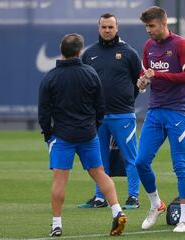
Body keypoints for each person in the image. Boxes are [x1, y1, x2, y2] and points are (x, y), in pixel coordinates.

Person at [38, 33, 127, 237]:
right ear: (80, 51)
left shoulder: (50, 77)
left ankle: (57, 224)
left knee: (60, 180)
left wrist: (48, 135)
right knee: (99, 173)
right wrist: (93, 126)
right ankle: (117, 211)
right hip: (88, 134)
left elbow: (43, 113)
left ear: (62, 50)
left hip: (63, 136)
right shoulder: (90, 73)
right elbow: (100, 107)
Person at [135, 6, 185, 233]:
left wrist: (157, 74)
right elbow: (145, 77)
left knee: (180, 167)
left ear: (164, 23)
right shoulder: (148, 46)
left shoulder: (180, 44)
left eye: (151, 26)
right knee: (140, 162)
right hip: (155, 111)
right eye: (146, 27)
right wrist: (142, 83)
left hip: (177, 112)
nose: (148, 31)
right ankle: (156, 205)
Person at [77, 13, 141, 209]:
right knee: (98, 159)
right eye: (104, 27)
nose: (107, 30)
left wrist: (126, 101)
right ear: (98, 28)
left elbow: (137, 82)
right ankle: (100, 197)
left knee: (131, 158)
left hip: (123, 114)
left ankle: (133, 197)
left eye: (110, 27)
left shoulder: (129, 53)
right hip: (98, 117)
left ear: (117, 28)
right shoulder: (89, 54)